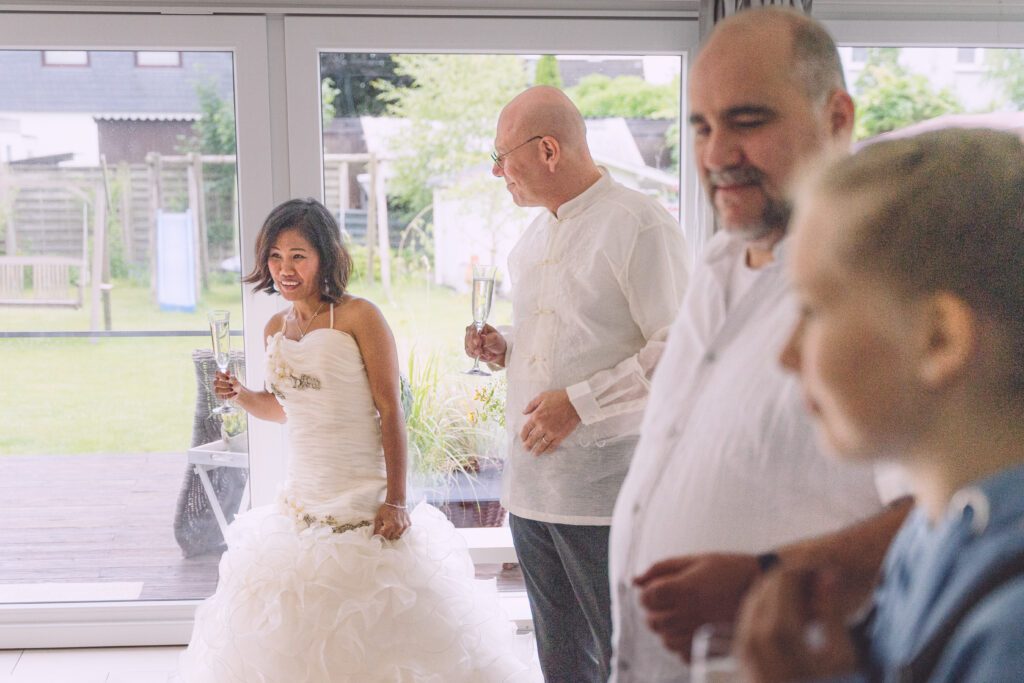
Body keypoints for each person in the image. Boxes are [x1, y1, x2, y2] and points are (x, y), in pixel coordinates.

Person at [608, 8, 913, 682]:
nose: (716, 154)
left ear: (837, 117)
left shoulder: (887, 282)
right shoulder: (716, 263)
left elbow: (948, 509)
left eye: (748, 122)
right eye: (701, 126)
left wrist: (771, 576)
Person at [176, 198, 534, 683]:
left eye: (298, 255)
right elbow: (284, 409)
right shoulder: (273, 329)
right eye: (276, 256)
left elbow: (391, 409)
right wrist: (240, 395)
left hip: (365, 499)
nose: (285, 268)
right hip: (302, 501)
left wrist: (397, 499)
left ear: (325, 256)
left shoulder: (359, 316)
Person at [736, 128, 1024, 683]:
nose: (786, 355)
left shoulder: (1012, 626)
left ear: (938, 338)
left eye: (813, 310)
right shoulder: (933, 531)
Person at [464, 85, 688, 682]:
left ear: (547, 150)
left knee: (625, 655)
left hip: (607, 494)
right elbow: (572, 341)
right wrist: (505, 348)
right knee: (559, 659)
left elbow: (680, 349)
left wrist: (579, 406)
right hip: (533, 490)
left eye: (500, 155)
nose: (496, 172)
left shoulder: (640, 225)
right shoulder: (531, 239)